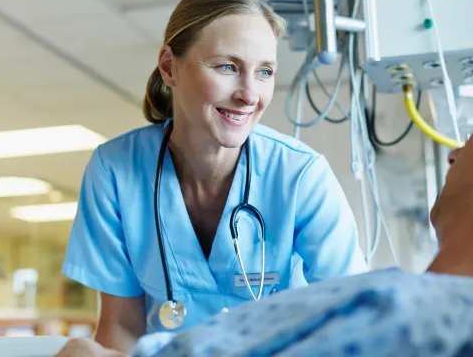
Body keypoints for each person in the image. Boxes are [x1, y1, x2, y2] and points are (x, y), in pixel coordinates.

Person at [58, 0, 367, 355]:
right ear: (169, 67)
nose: (250, 94)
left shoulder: (299, 175)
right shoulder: (115, 171)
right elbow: (122, 324)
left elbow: (356, 318)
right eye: (227, 67)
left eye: (265, 71)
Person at [57, 136, 473, 357]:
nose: (453, 152)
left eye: (469, 144)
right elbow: (120, 323)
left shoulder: (399, 310)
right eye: (225, 66)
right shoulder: (389, 298)